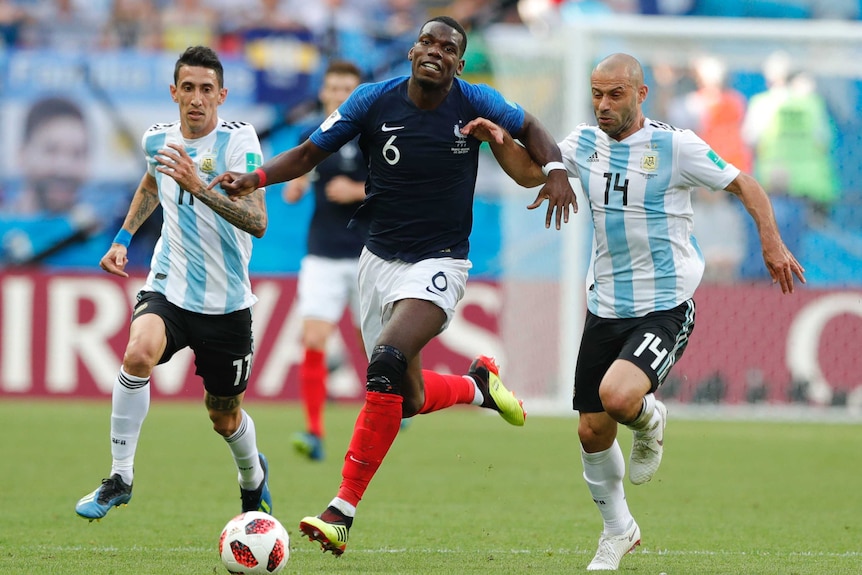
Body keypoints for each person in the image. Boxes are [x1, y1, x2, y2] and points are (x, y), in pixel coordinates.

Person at [210, 15, 576, 556]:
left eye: (448, 48)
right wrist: (255, 177)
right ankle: (478, 386)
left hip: (440, 263)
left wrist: (557, 170)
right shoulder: (371, 101)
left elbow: (533, 128)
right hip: (377, 263)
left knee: (384, 360)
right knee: (404, 398)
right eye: (427, 42)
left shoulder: (476, 100)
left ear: (458, 61)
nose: (435, 51)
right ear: (411, 51)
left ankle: (341, 511)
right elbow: (311, 153)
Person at [464, 53, 805, 571]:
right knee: (591, 431)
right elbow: (531, 175)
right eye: (597, 94)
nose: (603, 104)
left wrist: (772, 243)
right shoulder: (583, 142)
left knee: (619, 397)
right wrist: (500, 143)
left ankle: (650, 419)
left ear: (641, 95)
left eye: (614, 94)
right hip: (605, 305)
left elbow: (746, 185)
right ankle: (618, 530)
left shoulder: (675, 146)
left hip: (664, 304)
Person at [74, 46, 272, 522]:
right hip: (170, 285)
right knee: (137, 353)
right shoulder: (156, 139)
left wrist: (198, 186)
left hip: (226, 304)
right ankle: (120, 476)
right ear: (174, 93)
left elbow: (258, 221)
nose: (197, 99)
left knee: (223, 416)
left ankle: (253, 479)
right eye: (188, 88)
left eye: (207, 89)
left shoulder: (239, 143)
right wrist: (123, 238)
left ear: (222, 95)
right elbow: (149, 184)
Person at [285, 60, 367, 462]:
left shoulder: (375, 134)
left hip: (370, 253)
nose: (339, 95)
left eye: (347, 88)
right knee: (314, 339)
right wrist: (296, 186)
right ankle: (314, 430)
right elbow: (299, 178)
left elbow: (399, 186)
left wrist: (358, 190)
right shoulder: (311, 136)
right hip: (322, 253)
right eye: (333, 88)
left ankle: (392, 404)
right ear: (323, 92)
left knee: (373, 344)